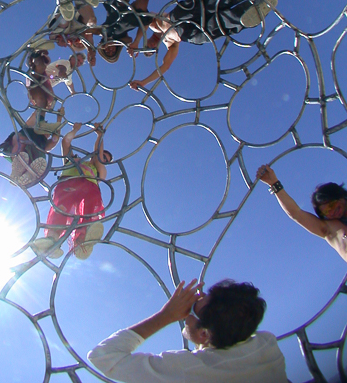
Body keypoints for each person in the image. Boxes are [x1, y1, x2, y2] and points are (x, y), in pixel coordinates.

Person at [88, 278, 288, 383]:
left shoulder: (190, 370)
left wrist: (165, 315)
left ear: (204, 334)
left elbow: (103, 357)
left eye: (192, 309)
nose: (184, 313)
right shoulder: (266, 344)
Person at [129, 0, 277, 89]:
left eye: (148, 46)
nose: (152, 45)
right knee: (220, 25)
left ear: (146, 41)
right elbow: (165, 67)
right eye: (152, 49)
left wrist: (136, 42)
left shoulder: (155, 24)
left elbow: (144, 20)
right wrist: (143, 82)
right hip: (190, 33)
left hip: (179, 16)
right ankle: (247, 13)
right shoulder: (171, 44)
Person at [31, 123, 113, 260]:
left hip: (88, 189)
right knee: (61, 208)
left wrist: (99, 137)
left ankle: (82, 238)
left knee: (90, 205)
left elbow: (98, 155)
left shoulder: (100, 172)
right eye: (103, 156)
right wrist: (75, 130)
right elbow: (66, 142)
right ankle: (52, 238)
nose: (103, 159)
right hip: (68, 185)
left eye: (106, 160)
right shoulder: (74, 160)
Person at [257, 164, 347, 262]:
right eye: (326, 212)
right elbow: (296, 213)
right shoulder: (330, 228)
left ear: (340, 196)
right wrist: (274, 183)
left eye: (331, 205)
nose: (332, 212)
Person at [0, 109, 64, 186]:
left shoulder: (44, 143)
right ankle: (18, 166)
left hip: (32, 157)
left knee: (40, 155)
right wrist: (44, 108)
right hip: (17, 148)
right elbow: (35, 115)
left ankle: (29, 173)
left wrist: (59, 119)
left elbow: (55, 140)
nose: (46, 132)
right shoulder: (29, 129)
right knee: (20, 138)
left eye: (48, 132)